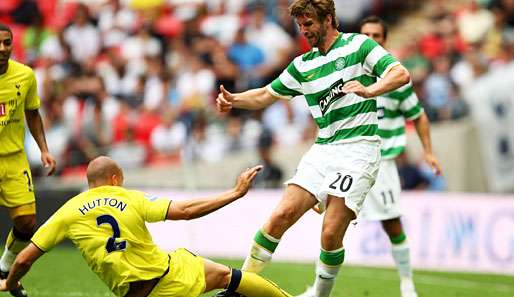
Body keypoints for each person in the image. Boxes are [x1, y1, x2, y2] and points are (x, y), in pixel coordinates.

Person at [215, 1, 411, 296]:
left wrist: (370, 89)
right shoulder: (303, 66)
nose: (304, 31)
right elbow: (268, 94)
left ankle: (319, 294)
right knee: (280, 216)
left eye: (309, 24)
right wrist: (235, 100)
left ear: (328, 19)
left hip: (359, 149)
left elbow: (400, 74)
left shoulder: (359, 46)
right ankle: (239, 288)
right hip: (323, 150)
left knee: (330, 232)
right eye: (300, 26)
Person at [0, 156, 292, 297]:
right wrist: (235, 192)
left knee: (217, 276)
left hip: (134, 294)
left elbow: (25, 258)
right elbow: (187, 211)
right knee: (228, 276)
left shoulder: (68, 210)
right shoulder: (130, 198)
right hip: (165, 276)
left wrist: (12, 284)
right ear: (115, 179)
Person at [358, 16, 442, 297]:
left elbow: (418, 116)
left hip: (382, 162)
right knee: (332, 224)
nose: (370, 39)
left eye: (376, 35)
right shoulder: (346, 72)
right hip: (349, 158)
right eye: (365, 34)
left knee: (391, 223)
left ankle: (407, 284)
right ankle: (319, 289)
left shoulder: (395, 78)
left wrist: (428, 152)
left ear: (385, 40)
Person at [0, 24, 57, 297]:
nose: (2, 49)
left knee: (27, 221)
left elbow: (32, 113)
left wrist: (44, 149)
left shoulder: (25, 75)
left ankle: (4, 266)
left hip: (13, 159)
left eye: (7, 43)